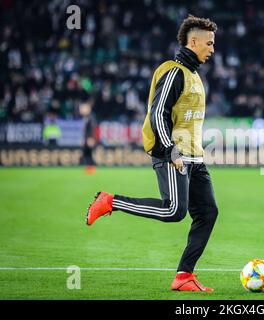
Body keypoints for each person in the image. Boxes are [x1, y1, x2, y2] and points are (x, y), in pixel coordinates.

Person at [85, 15, 219, 292]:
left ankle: (184, 276)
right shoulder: (174, 71)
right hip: (173, 153)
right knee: (174, 210)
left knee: (207, 212)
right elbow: (157, 113)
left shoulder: (193, 74)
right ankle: (110, 201)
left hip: (194, 157)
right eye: (209, 43)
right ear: (193, 42)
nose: (212, 49)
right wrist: (170, 150)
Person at [79, 101, 97, 174]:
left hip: (89, 138)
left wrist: (91, 138)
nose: (81, 110)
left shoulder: (90, 117)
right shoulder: (86, 118)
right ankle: (89, 168)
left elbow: (92, 128)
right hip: (87, 137)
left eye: (83, 108)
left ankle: (91, 168)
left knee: (89, 152)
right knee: (86, 152)